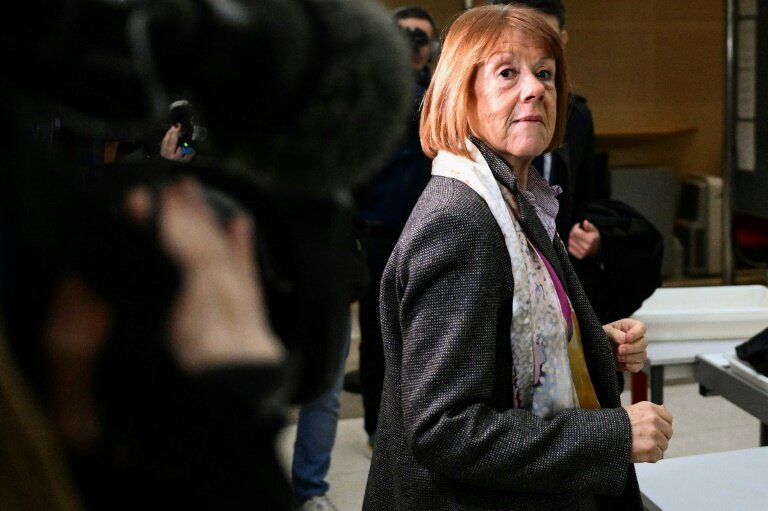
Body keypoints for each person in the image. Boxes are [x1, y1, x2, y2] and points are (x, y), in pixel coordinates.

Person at [363, 5, 673, 510]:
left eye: (545, 73)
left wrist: (590, 340)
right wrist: (614, 436)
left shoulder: (513, 196)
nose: (535, 89)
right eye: (507, 73)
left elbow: (507, 336)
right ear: (461, 94)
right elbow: (444, 428)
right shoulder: (461, 219)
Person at [491, 0, 664, 324]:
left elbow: (588, 196)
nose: (532, 88)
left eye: (543, 68)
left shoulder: (576, 115)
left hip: (558, 273)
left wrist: (593, 234)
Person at [347, 5, 438, 450]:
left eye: (419, 38)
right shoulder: (368, 94)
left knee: (426, 332)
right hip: (377, 229)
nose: (411, 44)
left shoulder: (438, 94)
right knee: (376, 335)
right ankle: (375, 428)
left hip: (430, 229)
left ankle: (421, 421)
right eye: (402, 36)